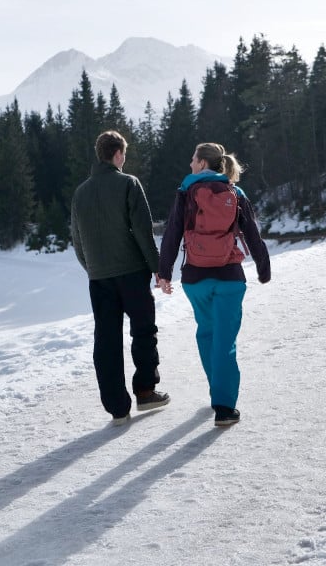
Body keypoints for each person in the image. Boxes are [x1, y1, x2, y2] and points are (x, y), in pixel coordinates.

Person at [157, 142, 270, 426]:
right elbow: (252, 234)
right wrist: (263, 267)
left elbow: (172, 232)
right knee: (225, 341)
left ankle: (216, 391)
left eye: (194, 160)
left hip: (196, 278)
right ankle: (224, 406)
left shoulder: (186, 192)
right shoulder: (236, 192)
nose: (191, 165)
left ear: (204, 164)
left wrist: (164, 272)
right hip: (230, 277)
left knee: (207, 333)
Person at [71, 130, 170, 425]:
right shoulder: (128, 183)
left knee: (106, 339)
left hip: (99, 278)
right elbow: (142, 230)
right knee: (143, 331)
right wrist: (158, 269)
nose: (124, 159)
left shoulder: (80, 193)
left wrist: (93, 268)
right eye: (123, 154)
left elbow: (77, 240)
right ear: (117, 154)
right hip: (131, 273)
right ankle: (145, 390)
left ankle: (117, 408)